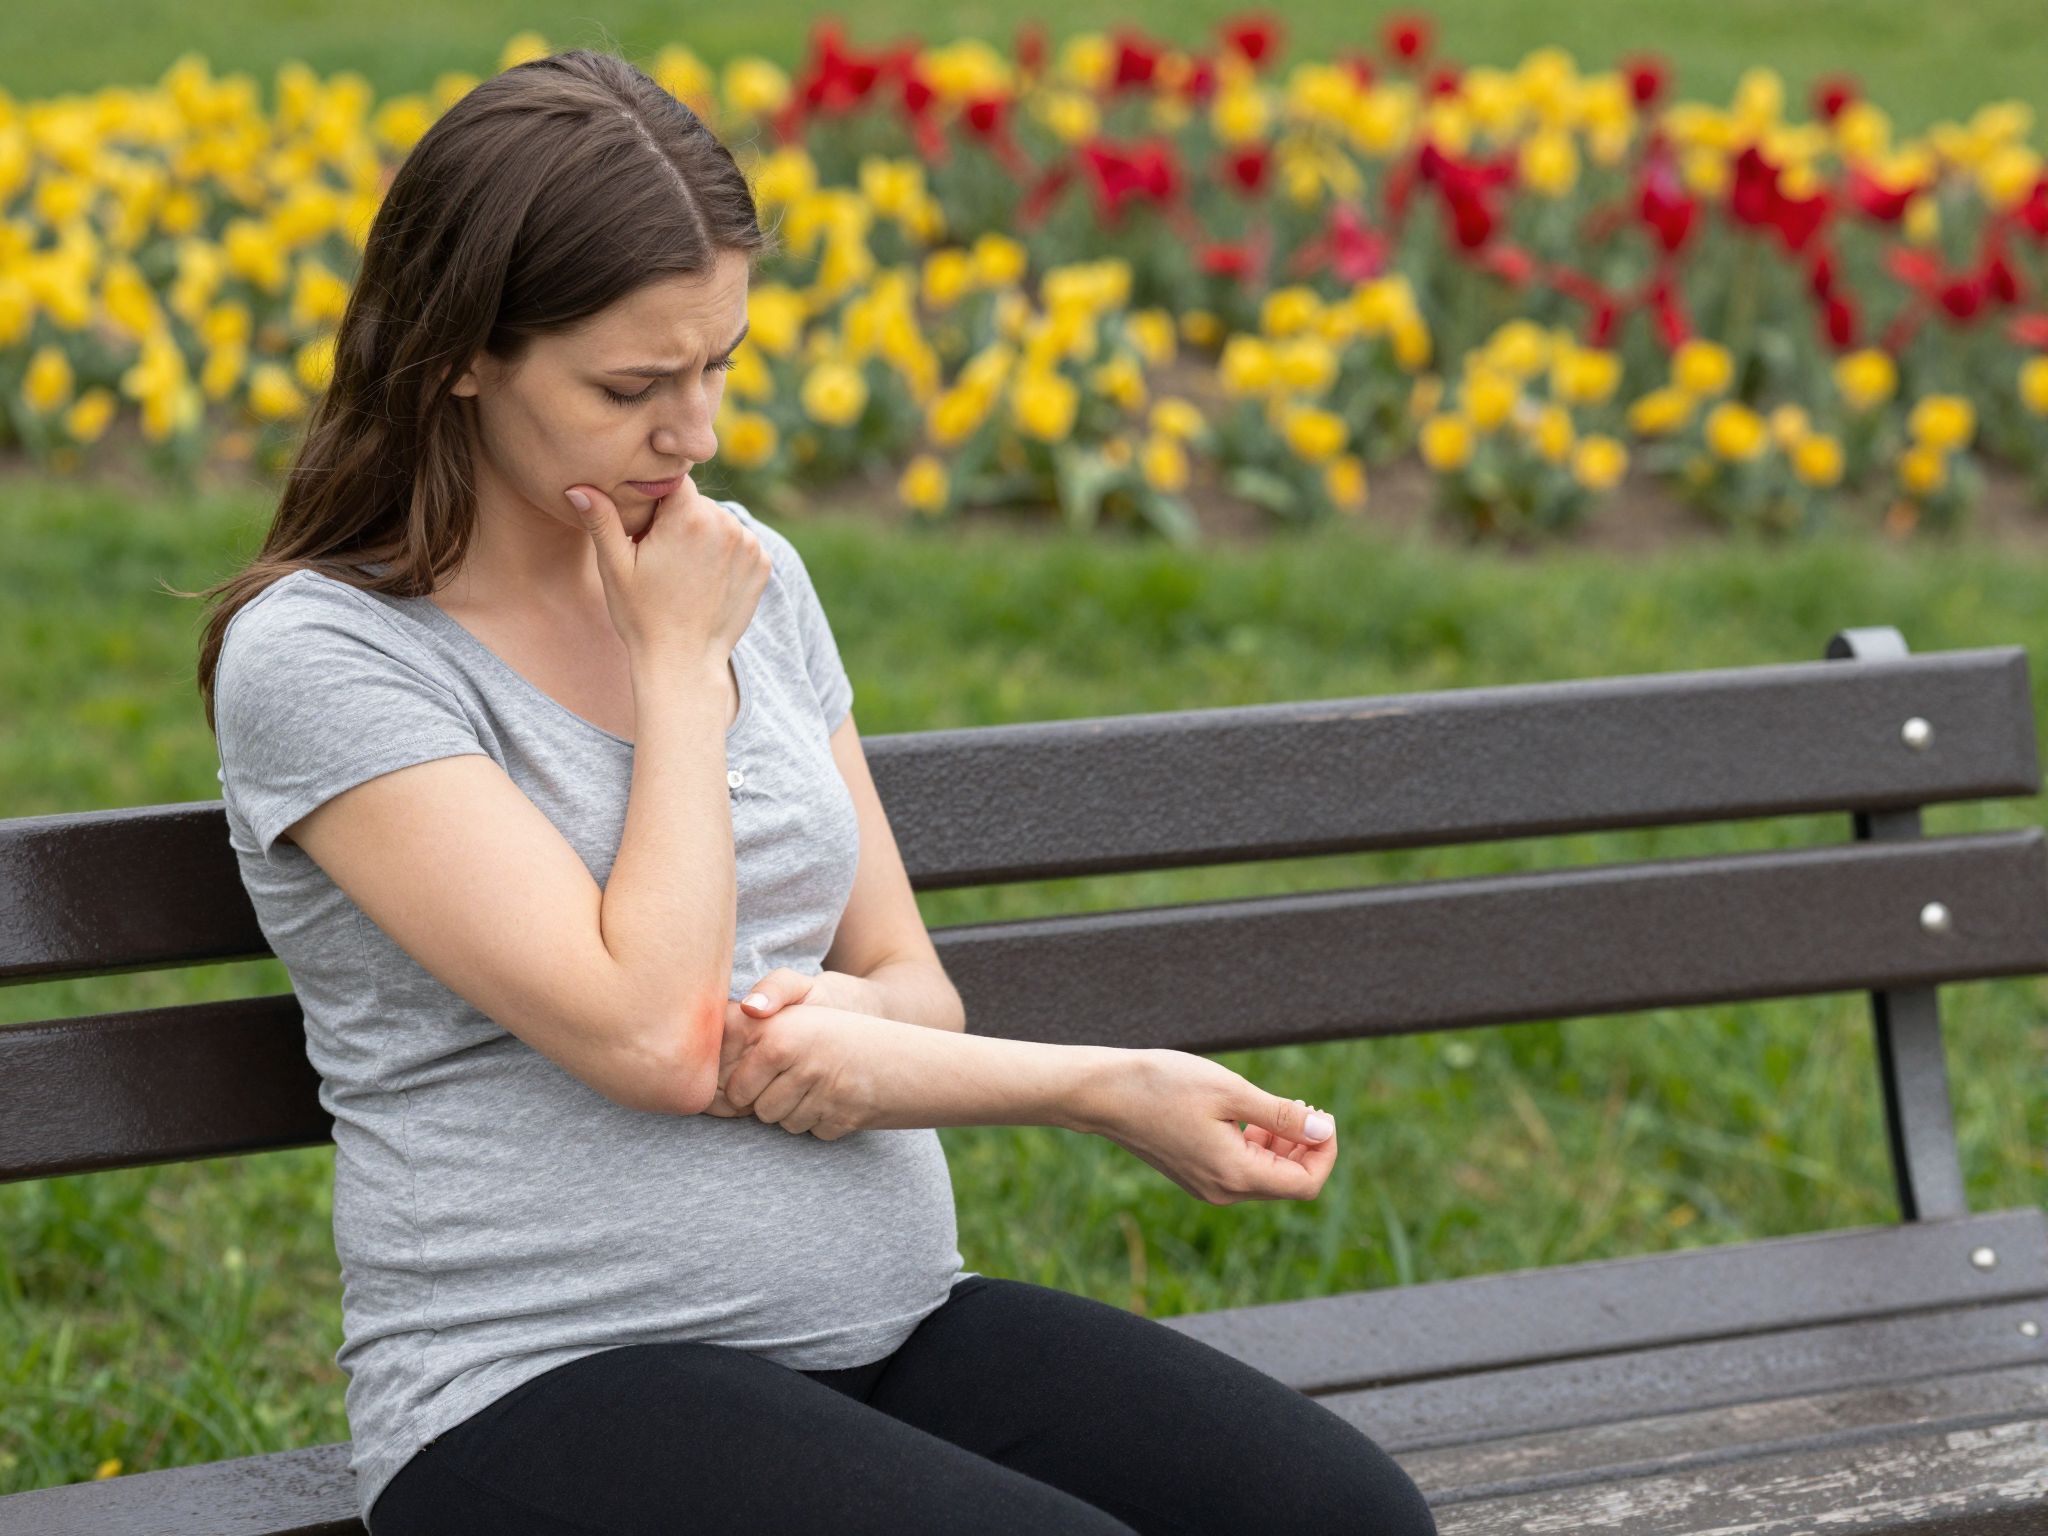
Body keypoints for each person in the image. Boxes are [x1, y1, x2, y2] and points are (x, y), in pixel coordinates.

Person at [195, 45, 1438, 1536]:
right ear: (462, 352)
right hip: (541, 1380)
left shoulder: (747, 579)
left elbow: (908, 984)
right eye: (630, 386)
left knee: (1342, 1521)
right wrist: (674, 674)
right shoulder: (332, 655)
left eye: (716, 365)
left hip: (887, 1325)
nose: (695, 434)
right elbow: (655, 1037)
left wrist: (869, 1034)